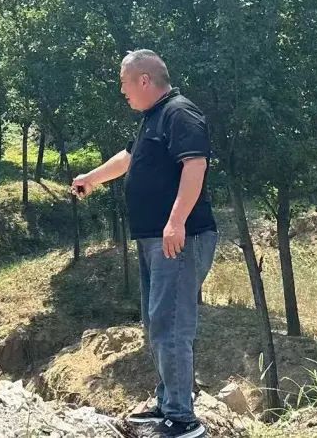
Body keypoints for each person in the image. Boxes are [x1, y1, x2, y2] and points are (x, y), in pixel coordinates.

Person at [71, 50, 217, 438]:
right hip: (156, 239)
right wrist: (92, 178)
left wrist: (176, 221)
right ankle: (167, 404)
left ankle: (182, 420)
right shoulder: (153, 118)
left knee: (172, 325)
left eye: (124, 83)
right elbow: (128, 159)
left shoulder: (180, 113)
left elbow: (195, 165)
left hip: (179, 238)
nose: (122, 91)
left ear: (145, 80)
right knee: (157, 323)